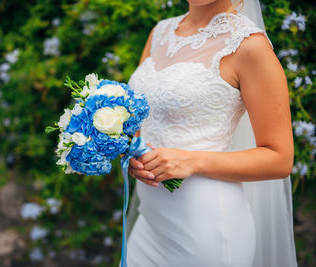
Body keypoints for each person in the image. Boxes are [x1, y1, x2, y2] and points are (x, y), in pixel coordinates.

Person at [126, 0, 298, 266]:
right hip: (150, 223)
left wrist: (192, 160)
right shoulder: (160, 31)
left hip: (206, 229)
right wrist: (131, 154)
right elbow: (141, 118)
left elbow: (280, 158)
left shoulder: (249, 46)